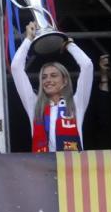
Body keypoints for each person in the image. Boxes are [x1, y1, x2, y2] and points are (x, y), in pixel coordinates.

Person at [11, 22, 94, 152]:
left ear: (64, 81)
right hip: (41, 164)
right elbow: (16, 67)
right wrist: (28, 39)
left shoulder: (76, 103)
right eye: (44, 77)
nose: (48, 80)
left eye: (53, 76)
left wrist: (68, 44)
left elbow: (87, 65)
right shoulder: (35, 105)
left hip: (72, 164)